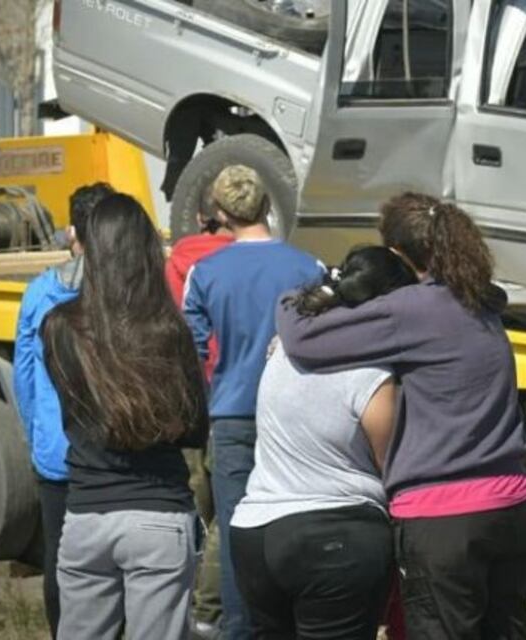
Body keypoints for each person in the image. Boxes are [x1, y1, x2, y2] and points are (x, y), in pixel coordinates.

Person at [276, 193, 526, 640]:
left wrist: (320, 287)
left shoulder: (413, 309)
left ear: (396, 252)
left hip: (444, 516)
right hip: (512, 505)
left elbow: (302, 336)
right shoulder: (482, 302)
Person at [43, 193, 209, 640]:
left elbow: (73, 410)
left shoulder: (60, 327)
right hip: (158, 513)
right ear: (146, 251)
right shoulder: (168, 329)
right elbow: (196, 427)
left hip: (86, 511)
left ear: (90, 249)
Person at [231, 246, 416, 639]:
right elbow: (393, 467)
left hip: (255, 532)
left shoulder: (284, 350)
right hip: (335, 537)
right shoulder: (370, 372)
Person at [182, 165, 324, 640]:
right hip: (300, 415)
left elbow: (195, 353)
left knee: (238, 536)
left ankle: (242, 629)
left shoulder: (205, 272)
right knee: (302, 524)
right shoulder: (309, 268)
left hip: (234, 414)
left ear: (221, 214)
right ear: (267, 205)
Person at [13, 181, 114, 638]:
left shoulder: (39, 292)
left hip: (57, 453)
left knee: (59, 558)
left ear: (72, 231)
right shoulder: (121, 293)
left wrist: (37, 434)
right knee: (110, 562)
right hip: (112, 452)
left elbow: (25, 375)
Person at [166, 204, 233, 638]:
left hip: (185, 394)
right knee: (225, 514)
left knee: (190, 506)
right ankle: (210, 611)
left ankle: (178, 604)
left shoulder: (175, 263)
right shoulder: (244, 258)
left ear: (201, 217)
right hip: (230, 394)